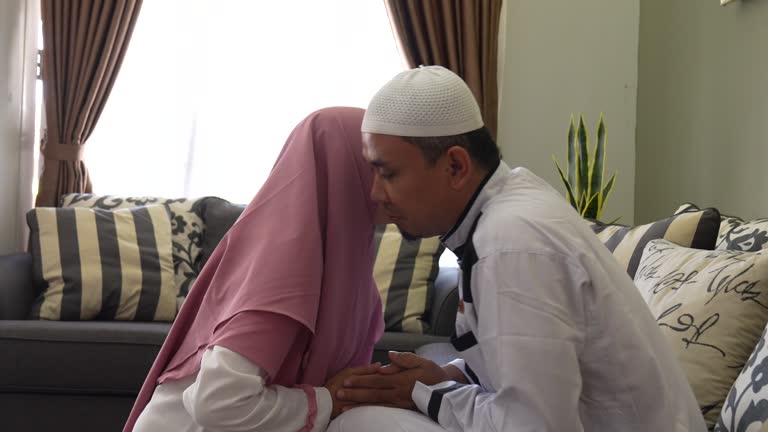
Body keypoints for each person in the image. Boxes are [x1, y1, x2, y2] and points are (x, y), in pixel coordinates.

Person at [329, 66, 706, 431]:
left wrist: (428, 393)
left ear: (456, 166)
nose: (376, 194)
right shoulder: (509, 205)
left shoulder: (511, 244)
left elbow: (535, 426)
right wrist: (446, 376)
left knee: (355, 422)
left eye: (388, 173)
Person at [124, 107, 388, 432]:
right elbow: (218, 402)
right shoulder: (286, 271)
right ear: (346, 173)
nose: (381, 187)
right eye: (377, 168)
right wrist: (328, 401)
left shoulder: (340, 264)